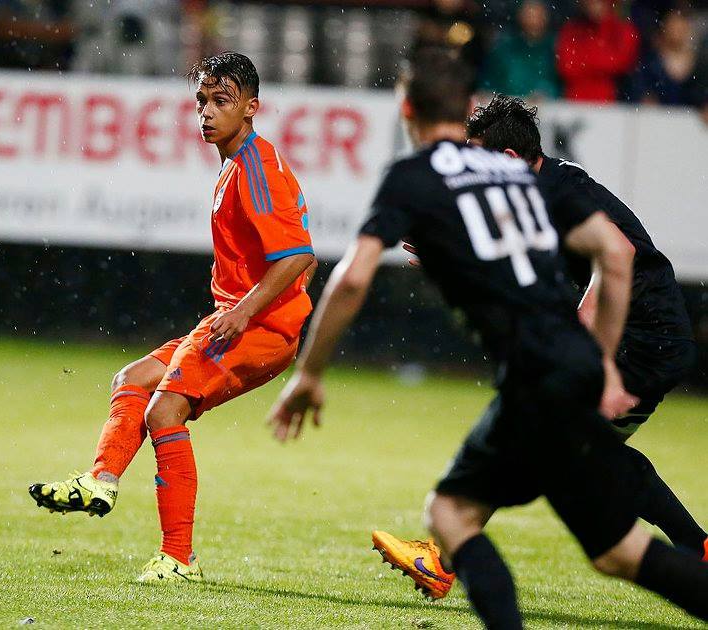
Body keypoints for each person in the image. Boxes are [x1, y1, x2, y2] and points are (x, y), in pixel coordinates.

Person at [268, 51, 708, 627]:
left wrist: (309, 372)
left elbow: (352, 278)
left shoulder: (427, 176)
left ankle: (445, 558)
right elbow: (592, 252)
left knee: (452, 513)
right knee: (615, 547)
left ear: (406, 110)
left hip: (598, 354)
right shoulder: (517, 178)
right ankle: (696, 547)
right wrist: (593, 363)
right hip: (577, 358)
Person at [375, 93, 704, 602]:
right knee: (581, 450)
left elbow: (615, 255)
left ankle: (444, 555)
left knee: (539, 435)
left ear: (506, 161)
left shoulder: (556, 190)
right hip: (651, 338)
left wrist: (592, 361)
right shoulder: (538, 187)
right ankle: (698, 550)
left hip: (643, 341)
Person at [29, 51, 317, 582]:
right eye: (201, 102)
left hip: (254, 325)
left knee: (164, 413)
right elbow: (300, 263)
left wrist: (254, 312)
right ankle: (101, 480)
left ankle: (179, 558)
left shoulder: (255, 166)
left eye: (220, 101)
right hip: (250, 319)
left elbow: (299, 254)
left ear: (252, 107)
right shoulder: (237, 164)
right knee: (133, 380)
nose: (206, 112)